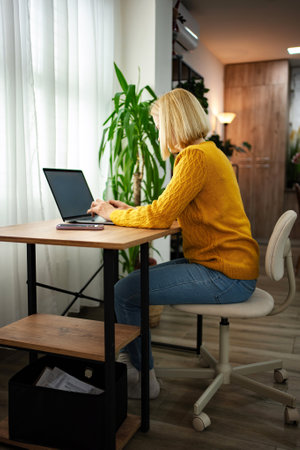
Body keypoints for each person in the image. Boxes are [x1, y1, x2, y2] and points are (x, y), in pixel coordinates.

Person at [87, 88, 259, 400]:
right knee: (131, 286)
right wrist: (128, 212)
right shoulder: (210, 152)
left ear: (170, 123)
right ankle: (139, 369)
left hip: (225, 275)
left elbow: (162, 215)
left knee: (124, 292)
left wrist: (112, 215)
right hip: (228, 267)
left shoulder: (193, 157)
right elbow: (175, 216)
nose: (155, 131)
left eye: (157, 124)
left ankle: (144, 379)